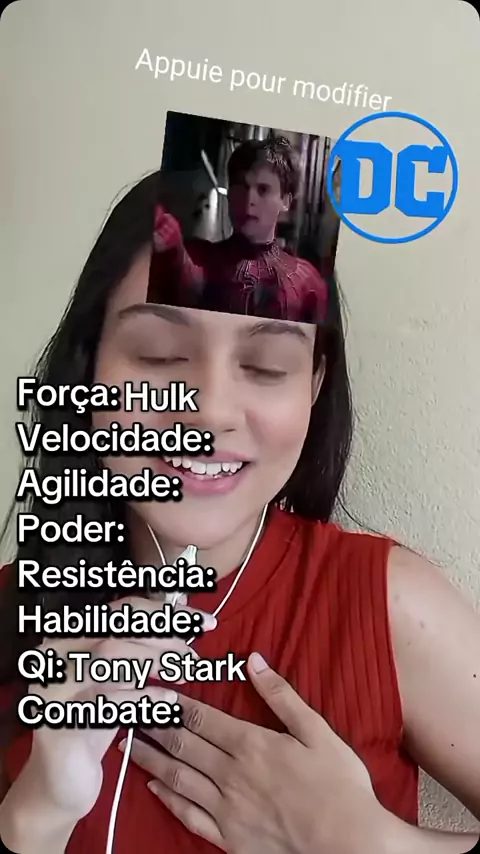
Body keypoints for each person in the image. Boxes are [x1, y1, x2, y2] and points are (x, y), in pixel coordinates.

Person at [0, 170, 479, 854]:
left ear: (313, 384)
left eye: (267, 364)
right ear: (89, 369)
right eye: (160, 354)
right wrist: (37, 813)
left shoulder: (390, 605)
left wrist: (368, 843)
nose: (210, 411)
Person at [148, 136, 328, 322]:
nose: (249, 199)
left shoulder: (307, 282)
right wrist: (172, 250)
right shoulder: (199, 258)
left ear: (286, 201)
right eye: (241, 187)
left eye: (263, 190)